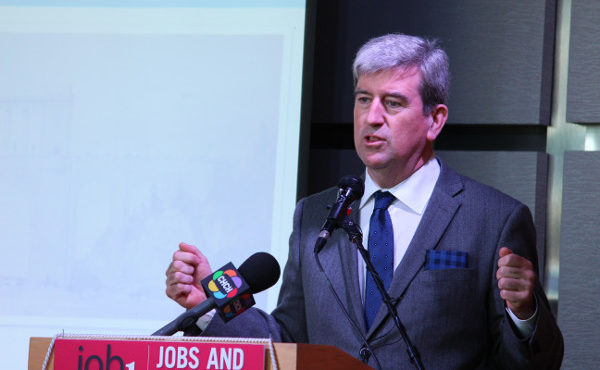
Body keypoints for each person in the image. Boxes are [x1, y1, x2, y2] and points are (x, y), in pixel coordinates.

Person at [165, 33, 564, 369]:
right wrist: (209, 308)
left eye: (392, 103)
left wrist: (524, 313)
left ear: (435, 119)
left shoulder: (493, 219)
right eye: (362, 99)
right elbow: (288, 338)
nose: (371, 117)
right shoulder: (315, 214)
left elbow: (535, 362)